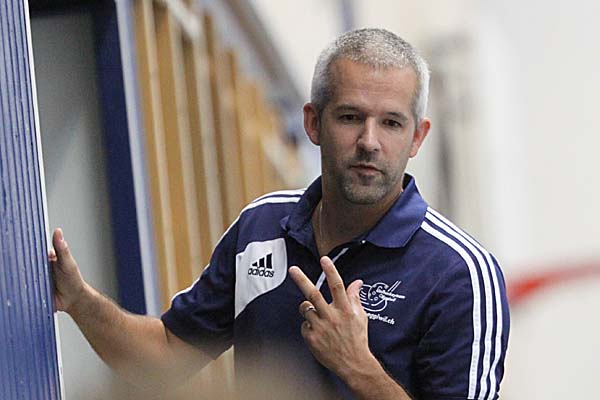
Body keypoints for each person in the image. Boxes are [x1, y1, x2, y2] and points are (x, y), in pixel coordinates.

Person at [50, 28, 509, 399]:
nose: (369, 142)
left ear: (417, 137)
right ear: (313, 122)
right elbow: (166, 356)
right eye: (350, 117)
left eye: (390, 123)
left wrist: (358, 368)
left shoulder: (460, 274)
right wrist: (78, 300)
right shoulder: (261, 226)